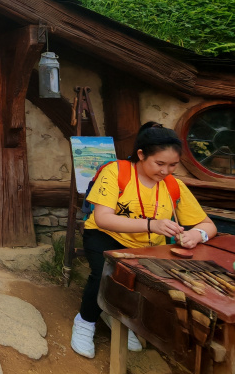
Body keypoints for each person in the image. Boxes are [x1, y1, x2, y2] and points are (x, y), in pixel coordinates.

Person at [71, 122, 217, 359]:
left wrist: (196, 235)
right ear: (141, 154)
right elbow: (103, 218)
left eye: (173, 165)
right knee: (103, 275)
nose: (165, 171)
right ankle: (85, 322)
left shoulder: (174, 185)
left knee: (143, 284)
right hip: (106, 236)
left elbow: (209, 225)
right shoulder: (116, 172)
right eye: (159, 163)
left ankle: (116, 316)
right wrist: (152, 225)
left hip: (147, 246)